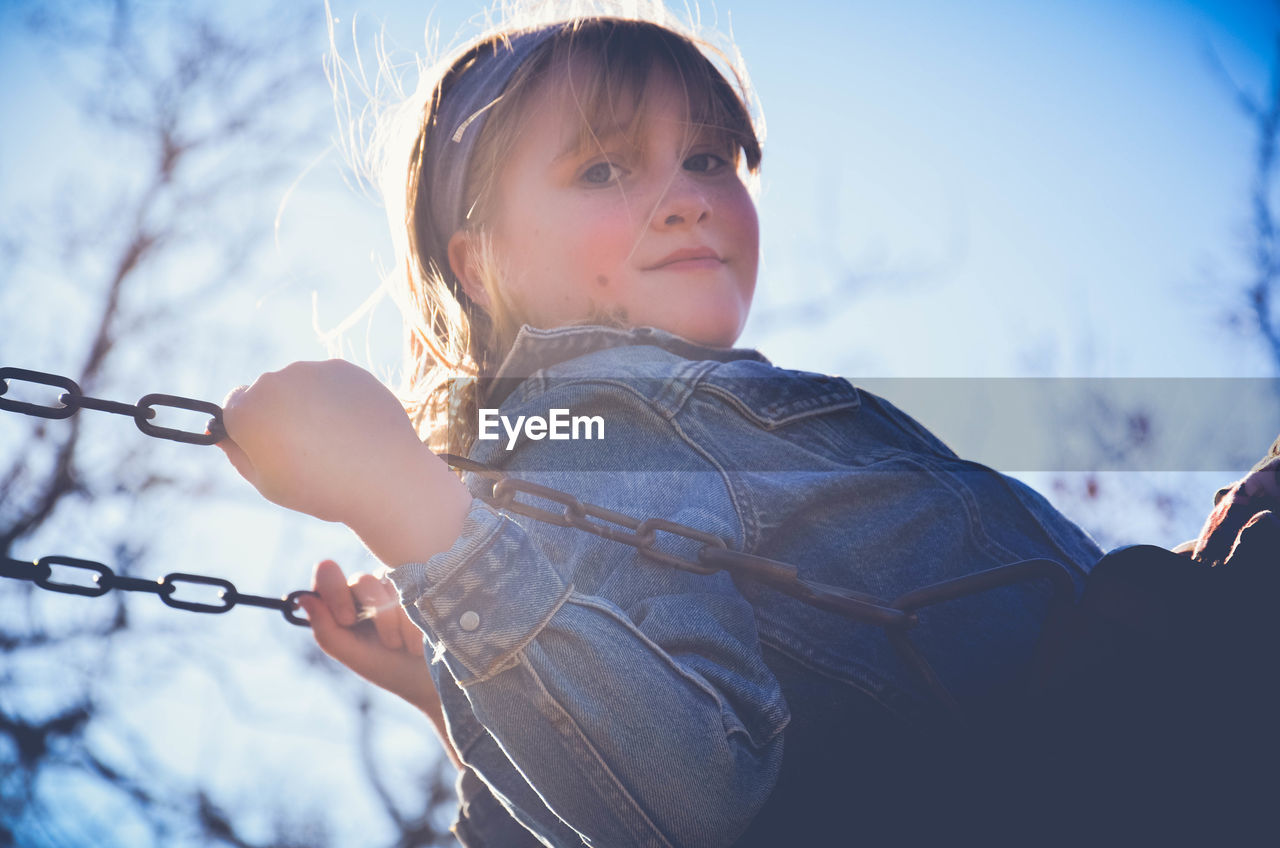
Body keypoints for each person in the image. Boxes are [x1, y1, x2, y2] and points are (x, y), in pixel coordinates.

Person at [216, 4, 1276, 845]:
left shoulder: (616, 442)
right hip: (1127, 744)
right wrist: (420, 522)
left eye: (710, 158)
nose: (685, 197)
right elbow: (694, 802)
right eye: (602, 166)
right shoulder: (598, 430)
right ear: (478, 259)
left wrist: (463, 693)